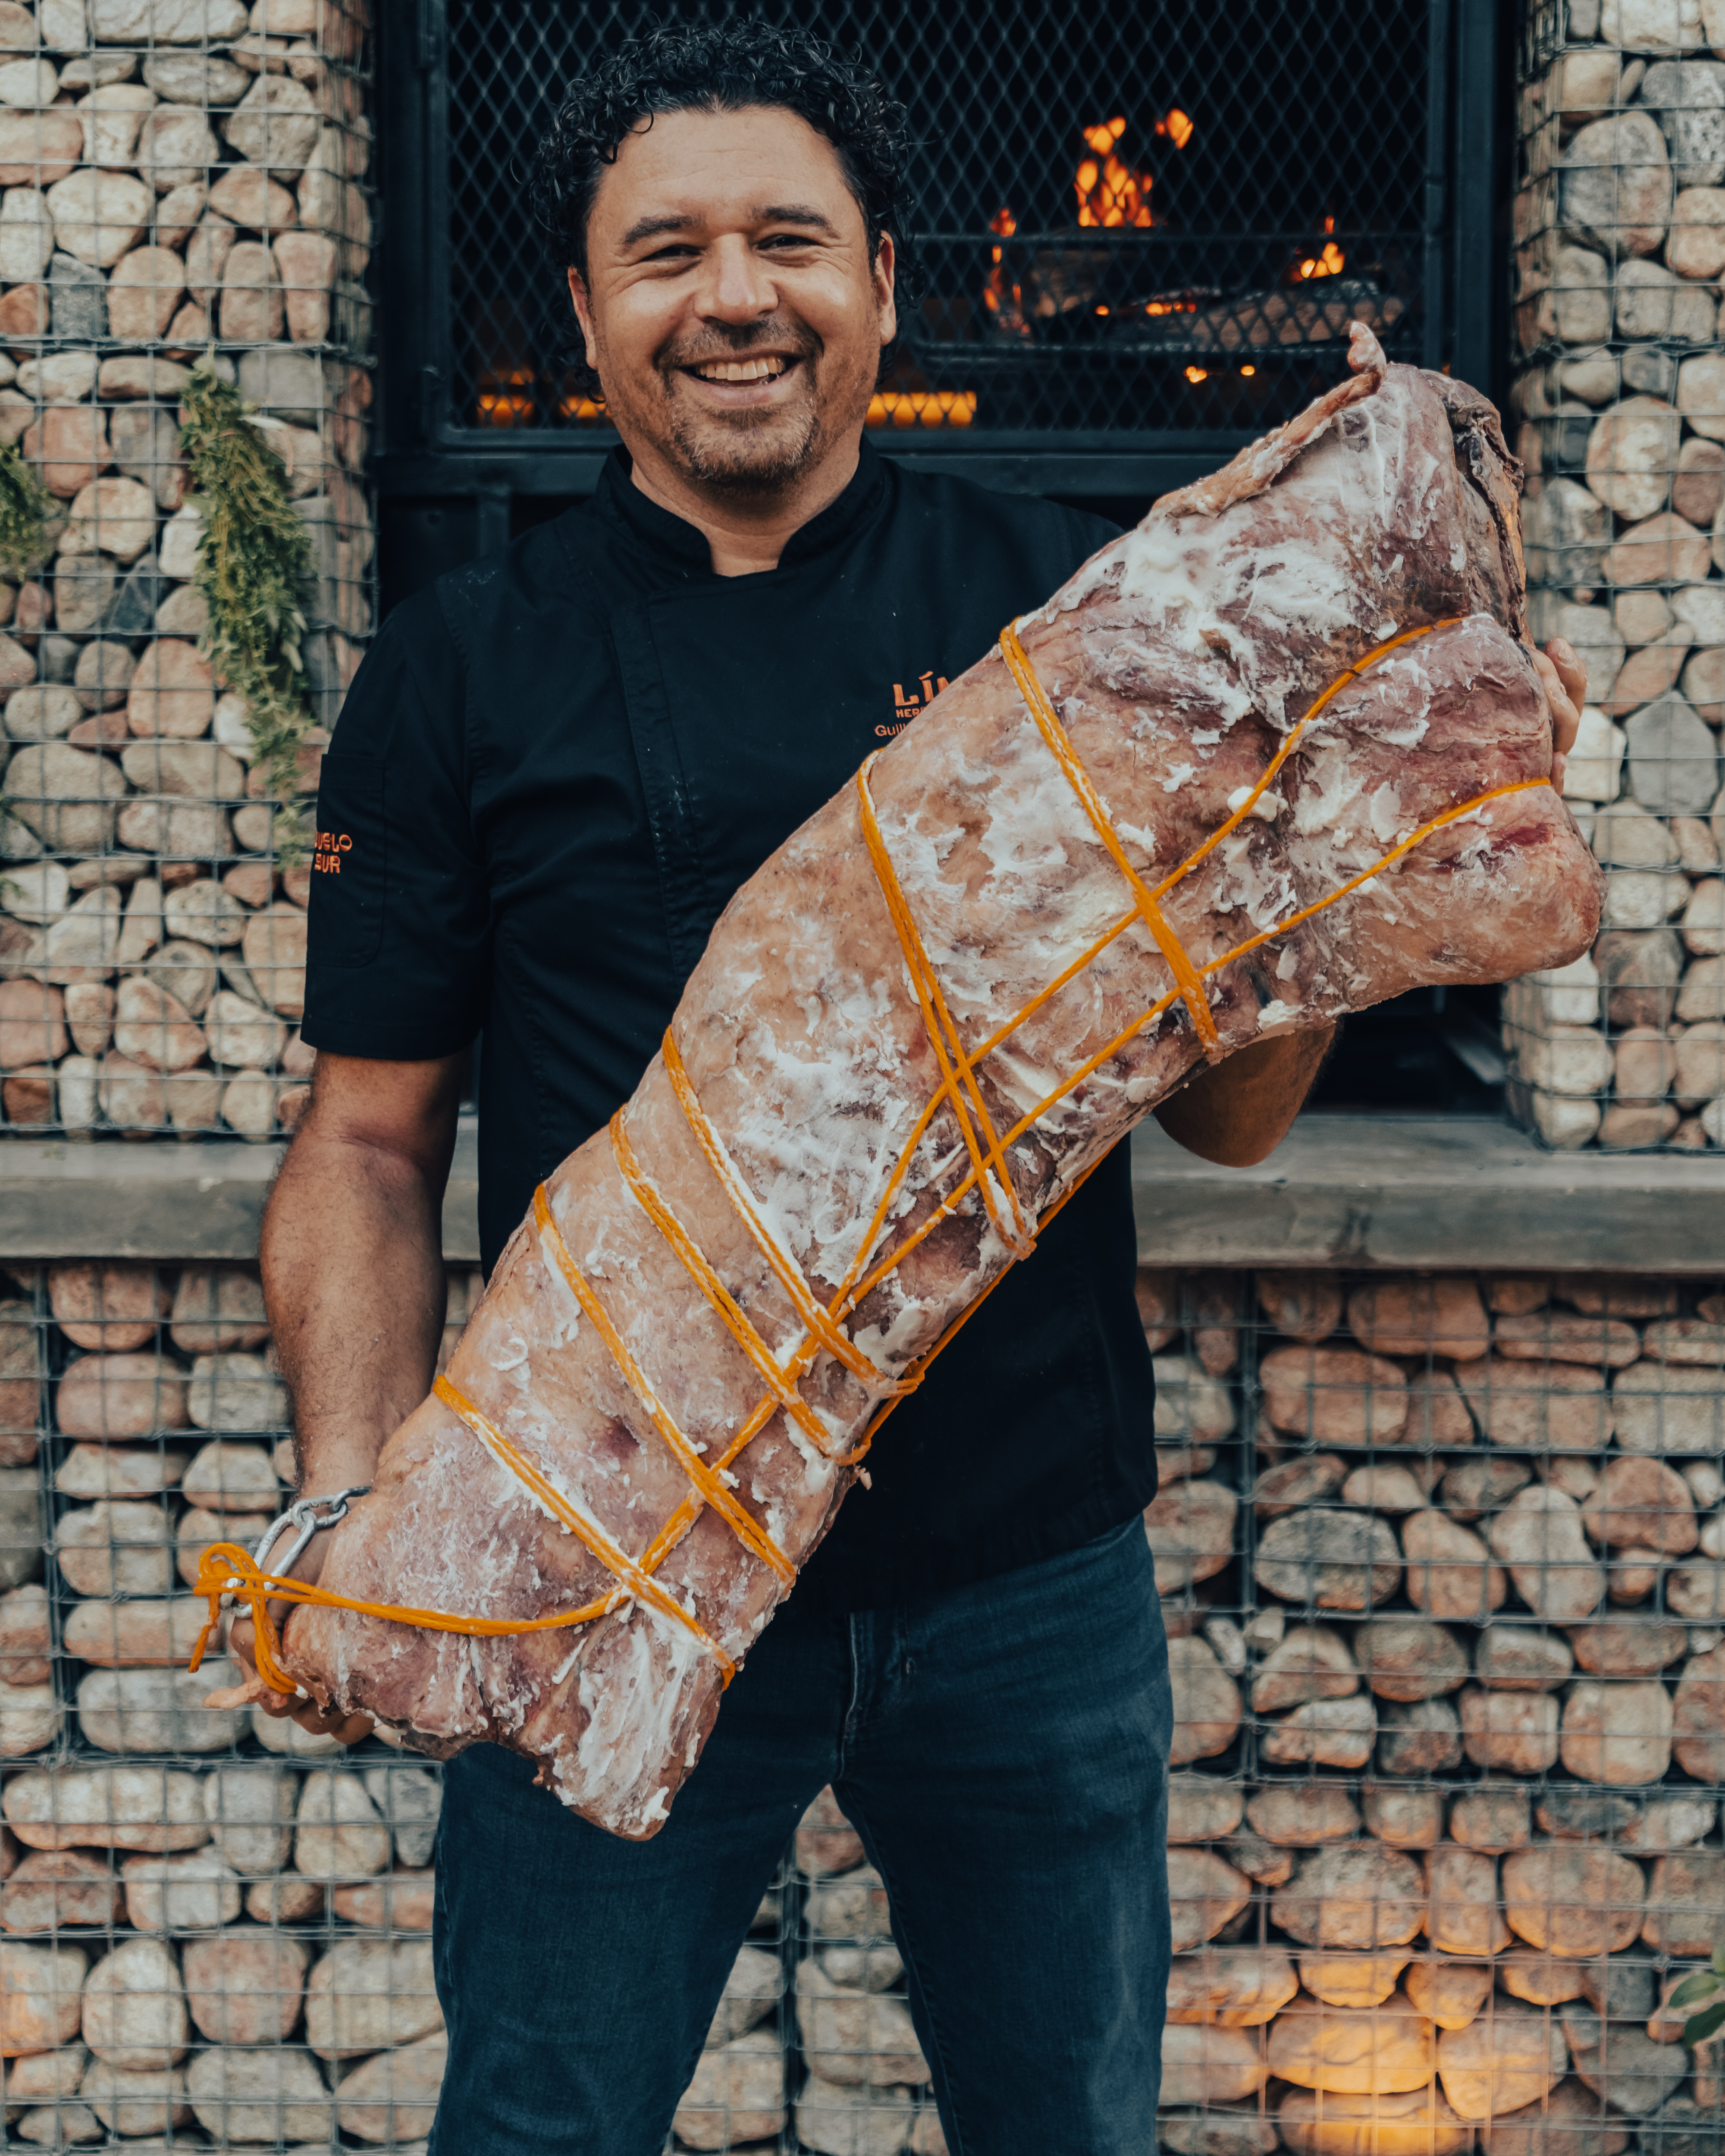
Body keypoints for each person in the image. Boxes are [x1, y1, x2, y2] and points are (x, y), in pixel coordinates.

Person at [245, 23, 1584, 2153]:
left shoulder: (1061, 610)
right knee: (540, 2118)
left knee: (1065, 2122)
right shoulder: (461, 662)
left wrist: (1348, 861)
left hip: (1020, 1574)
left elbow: (1229, 1121)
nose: (735, 295)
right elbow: (370, 1138)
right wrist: (356, 1500)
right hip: (608, 1536)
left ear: (882, 280)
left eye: (788, 237)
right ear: (586, 315)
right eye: (664, 251)